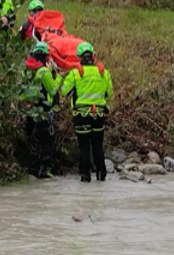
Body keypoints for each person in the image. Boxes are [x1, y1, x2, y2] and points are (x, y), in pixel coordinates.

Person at [61, 42, 113, 182]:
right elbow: (109, 92)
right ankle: (101, 174)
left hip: (81, 115)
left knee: (84, 146)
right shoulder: (104, 73)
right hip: (99, 115)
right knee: (98, 146)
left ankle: (85, 176)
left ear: (79, 58)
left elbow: (65, 91)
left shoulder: (75, 73)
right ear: (93, 56)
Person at [20, 42, 62, 179]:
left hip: (28, 110)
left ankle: (26, 167)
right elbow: (53, 90)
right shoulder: (44, 72)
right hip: (43, 111)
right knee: (46, 141)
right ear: (45, 57)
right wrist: (58, 76)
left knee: (29, 138)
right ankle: (44, 170)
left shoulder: (25, 70)